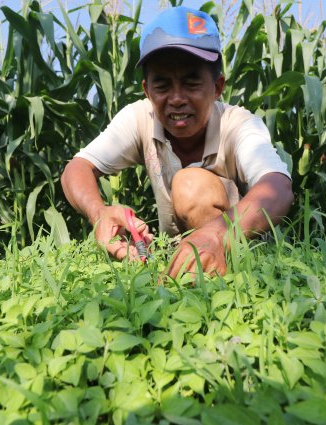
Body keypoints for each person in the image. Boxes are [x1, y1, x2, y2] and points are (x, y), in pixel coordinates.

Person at [61, 6, 293, 279]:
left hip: (243, 252)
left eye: (191, 83)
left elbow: (277, 187)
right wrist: (99, 213)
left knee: (190, 185)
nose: (176, 98)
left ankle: (221, 274)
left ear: (217, 87)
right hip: (178, 253)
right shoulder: (139, 118)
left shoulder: (239, 124)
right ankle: (185, 270)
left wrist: (218, 234)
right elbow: (76, 169)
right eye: (162, 85)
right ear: (147, 90)